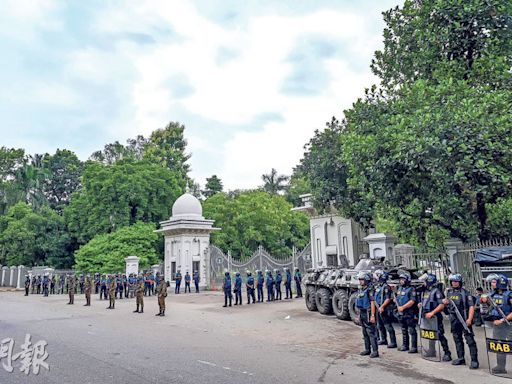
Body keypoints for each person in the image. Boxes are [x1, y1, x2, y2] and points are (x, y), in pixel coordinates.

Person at [443, 273, 478, 369]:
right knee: (457, 339)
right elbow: (447, 306)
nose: (454, 283)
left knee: (470, 340)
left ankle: (474, 360)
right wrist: (445, 303)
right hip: (454, 320)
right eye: (452, 281)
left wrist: (469, 319)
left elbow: (471, 306)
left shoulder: (465, 293)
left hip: (464, 319)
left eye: (456, 281)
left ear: (460, 282)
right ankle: (461, 358)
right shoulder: (449, 292)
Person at [480, 274, 512, 374]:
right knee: (500, 345)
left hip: (508, 324)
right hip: (497, 325)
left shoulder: (509, 295)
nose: (492, 284)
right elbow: (492, 307)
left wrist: (502, 320)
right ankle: (501, 366)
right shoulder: (493, 294)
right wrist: (484, 301)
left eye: (494, 282)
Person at [419, 273, 452, 361]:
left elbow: (441, 305)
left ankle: (447, 353)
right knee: (430, 333)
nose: (424, 283)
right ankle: (432, 351)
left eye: (425, 281)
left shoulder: (436, 291)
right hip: (427, 316)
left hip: (435, 316)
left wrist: (432, 313)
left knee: (440, 334)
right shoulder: (426, 291)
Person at [356, 272, 379, 358]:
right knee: (364, 332)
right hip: (362, 312)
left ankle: (375, 351)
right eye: (360, 280)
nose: (360, 282)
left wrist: (372, 315)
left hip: (368, 312)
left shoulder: (370, 290)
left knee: (371, 333)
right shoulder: (361, 289)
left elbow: (372, 303)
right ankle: (367, 349)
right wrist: (358, 315)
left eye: (362, 280)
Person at [373, 270, 397, 348]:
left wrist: (382, 307)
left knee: (388, 325)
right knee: (379, 325)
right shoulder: (379, 286)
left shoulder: (386, 287)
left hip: (384, 308)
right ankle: (383, 339)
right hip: (378, 307)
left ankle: (393, 342)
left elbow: (388, 299)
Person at [395, 272, 418, 353]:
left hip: (409, 312)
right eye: (400, 279)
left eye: (403, 279)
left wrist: (403, 307)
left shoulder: (411, 289)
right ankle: (405, 345)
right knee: (404, 330)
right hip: (401, 313)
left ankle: (414, 347)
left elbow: (412, 301)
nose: (401, 281)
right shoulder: (399, 288)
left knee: (411, 330)